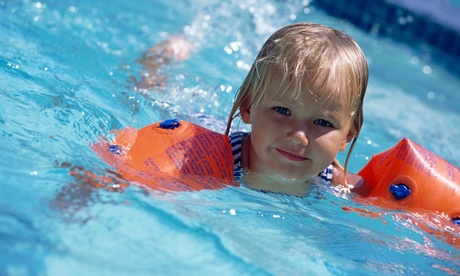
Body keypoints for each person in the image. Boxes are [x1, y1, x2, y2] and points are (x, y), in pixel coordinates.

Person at [223, 23, 368, 196]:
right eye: (282, 110)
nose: (299, 137)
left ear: (348, 135)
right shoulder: (218, 158)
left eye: (323, 122)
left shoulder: (340, 184)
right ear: (247, 106)